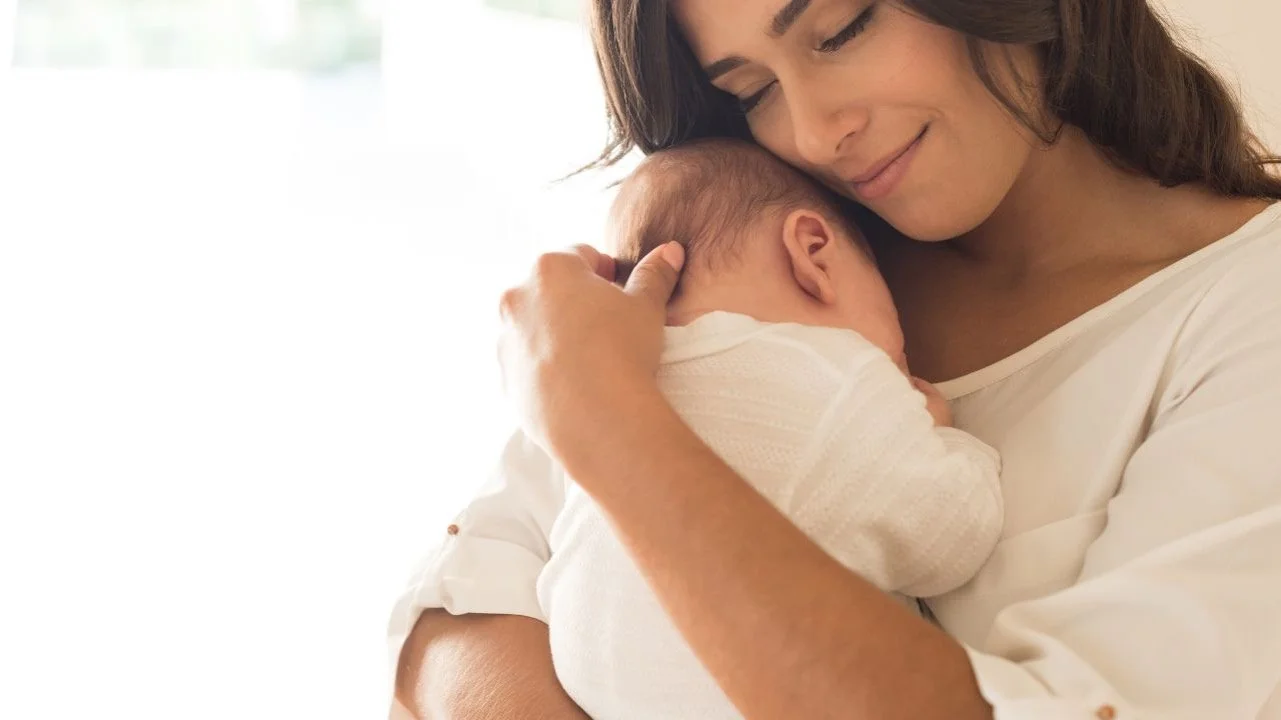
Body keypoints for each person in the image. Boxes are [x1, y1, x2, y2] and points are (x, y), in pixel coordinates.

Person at [393, 0, 1281, 718]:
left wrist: (607, 423)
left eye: (840, 30)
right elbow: (454, 623)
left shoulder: (1246, 310)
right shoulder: (768, 262)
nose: (816, 133)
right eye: (750, 89)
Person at [415, 137, 1004, 719]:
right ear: (814, 252)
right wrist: (945, 438)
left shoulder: (600, 391)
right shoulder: (838, 378)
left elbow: (470, 575)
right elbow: (952, 536)